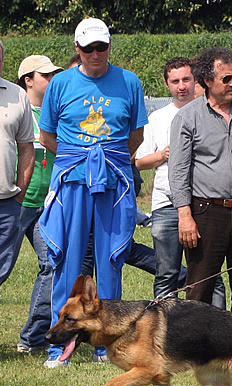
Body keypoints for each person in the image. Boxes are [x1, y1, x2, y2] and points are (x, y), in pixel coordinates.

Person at [38, 17, 148, 367]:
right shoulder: (60, 84)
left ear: (109, 46)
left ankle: (107, 343)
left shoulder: (129, 81)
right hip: (72, 181)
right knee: (67, 261)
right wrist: (81, 160)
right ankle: (60, 346)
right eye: (88, 48)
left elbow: (136, 137)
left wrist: (107, 161)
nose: (96, 54)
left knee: (112, 259)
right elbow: (47, 137)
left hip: (113, 182)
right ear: (77, 49)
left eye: (102, 47)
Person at [168, 47, 232, 329]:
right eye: (226, 79)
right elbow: (177, 172)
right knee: (199, 290)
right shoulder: (187, 118)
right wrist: (184, 215)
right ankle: (195, 350)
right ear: (206, 81)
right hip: (205, 214)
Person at [136, 57, 225, 307]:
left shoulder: (212, 113)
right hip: (166, 204)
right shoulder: (157, 118)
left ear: (196, 80)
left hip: (205, 203)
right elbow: (140, 161)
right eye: (175, 81)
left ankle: (216, 332)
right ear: (167, 85)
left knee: (210, 276)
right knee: (166, 274)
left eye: (186, 79)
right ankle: (166, 333)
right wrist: (163, 155)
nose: (181, 86)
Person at [13, 55, 63, 353]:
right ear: (27, 80)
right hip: (15, 204)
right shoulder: (14, 110)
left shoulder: (54, 114)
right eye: (45, 75)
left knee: (51, 264)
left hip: (45, 205)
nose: (52, 78)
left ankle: (32, 338)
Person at [0, 40, 36, 298]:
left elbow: (27, 149)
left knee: (2, 269)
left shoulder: (17, 95)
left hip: (7, 203)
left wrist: (19, 194)